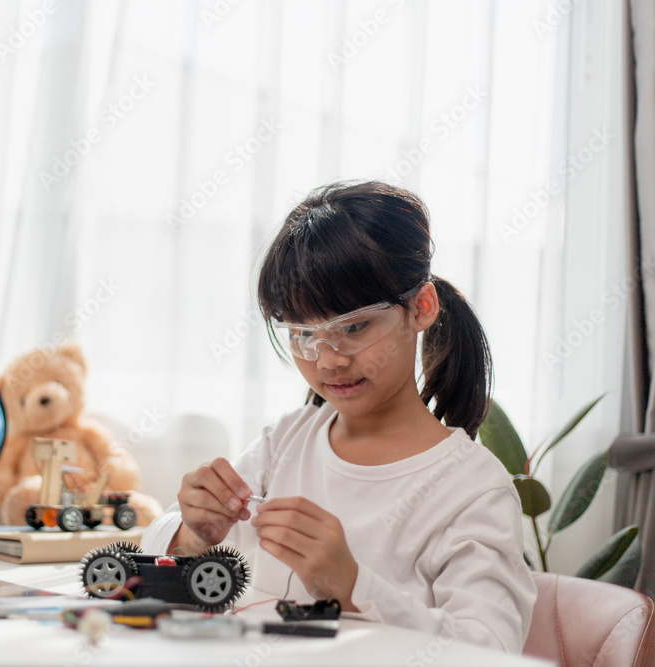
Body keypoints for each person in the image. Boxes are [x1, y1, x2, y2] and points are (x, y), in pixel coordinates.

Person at [140, 181, 536, 653]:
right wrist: (193, 533)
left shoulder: (472, 487)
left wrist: (351, 586)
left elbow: (489, 650)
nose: (328, 360)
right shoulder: (286, 440)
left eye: (353, 327)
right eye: (303, 332)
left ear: (421, 308)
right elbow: (154, 552)